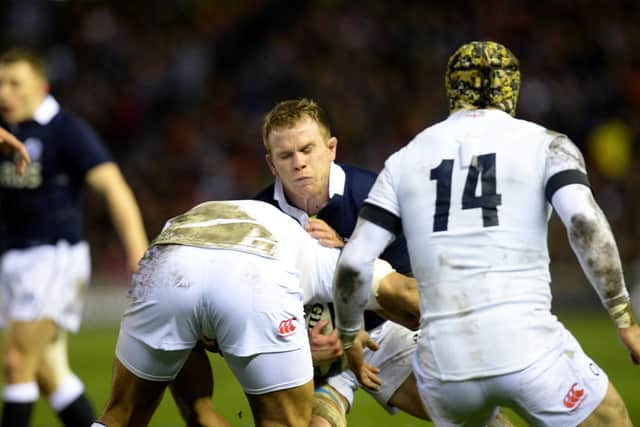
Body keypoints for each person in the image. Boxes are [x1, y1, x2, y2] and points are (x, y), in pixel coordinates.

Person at [333, 40, 640, 426]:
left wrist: (349, 337)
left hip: (443, 369)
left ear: (451, 89)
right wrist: (623, 317)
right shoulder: (546, 144)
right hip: (527, 347)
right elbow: (584, 222)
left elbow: (354, 264)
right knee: (612, 419)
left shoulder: (404, 159)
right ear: (513, 89)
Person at [90, 199, 403, 427]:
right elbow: (397, 291)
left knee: (120, 416)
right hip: (250, 273)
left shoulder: (256, 212)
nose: (299, 163)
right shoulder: (318, 251)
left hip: (168, 260)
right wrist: (349, 332)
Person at [0, 48, 148, 427]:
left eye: (15, 83)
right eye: (0, 83)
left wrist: (138, 252)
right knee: (49, 375)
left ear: (41, 86)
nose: (4, 93)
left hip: (52, 256)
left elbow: (114, 187)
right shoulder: (8, 131)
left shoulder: (65, 131)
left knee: (17, 363)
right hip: (11, 258)